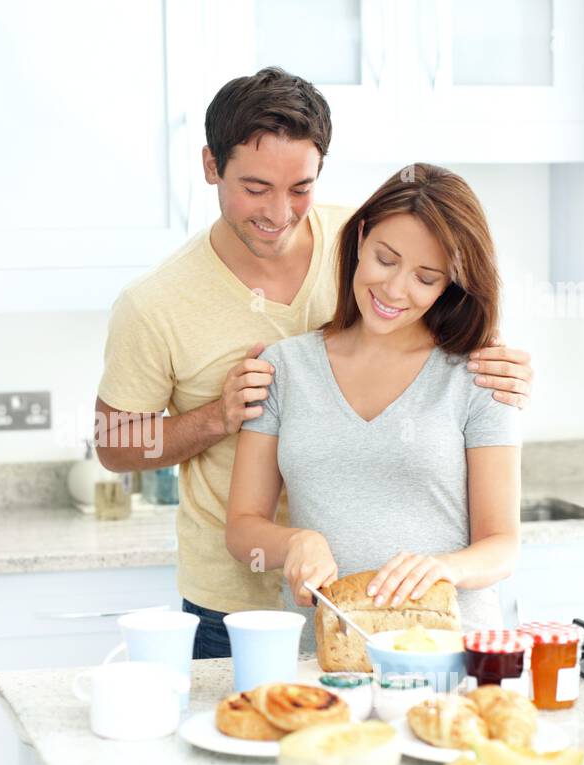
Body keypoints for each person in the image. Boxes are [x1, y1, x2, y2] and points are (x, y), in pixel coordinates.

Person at [95, 68, 533, 659]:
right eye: (255, 188)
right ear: (210, 166)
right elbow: (116, 444)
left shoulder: (366, 238)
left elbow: (443, 288)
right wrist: (217, 418)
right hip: (243, 603)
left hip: (435, 630)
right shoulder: (158, 306)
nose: (281, 212)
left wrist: (501, 360)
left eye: (300, 188)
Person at [225, 163, 521, 638]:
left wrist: (445, 569)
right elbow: (242, 529)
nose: (394, 289)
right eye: (386, 259)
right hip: (324, 650)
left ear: (451, 285)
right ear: (361, 237)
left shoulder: (480, 376)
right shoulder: (285, 369)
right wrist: (296, 542)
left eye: (426, 278)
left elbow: (502, 544)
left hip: (449, 648)